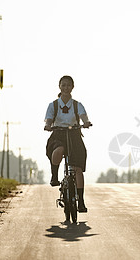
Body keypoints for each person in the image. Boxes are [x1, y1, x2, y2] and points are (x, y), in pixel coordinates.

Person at [44, 75, 92, 213]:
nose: (66, 88)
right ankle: (54, 176)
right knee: (58, 150)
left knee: (77, 168)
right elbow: (48, 119)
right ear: (59, 86)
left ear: (72, 87)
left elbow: (83, 116)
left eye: (68, 85)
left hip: (74, 135)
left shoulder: (77, 105)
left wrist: (86, 123)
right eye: (63, 85)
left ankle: (81, 201)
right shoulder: (53, 105)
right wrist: (48, 125)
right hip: (58, 134)